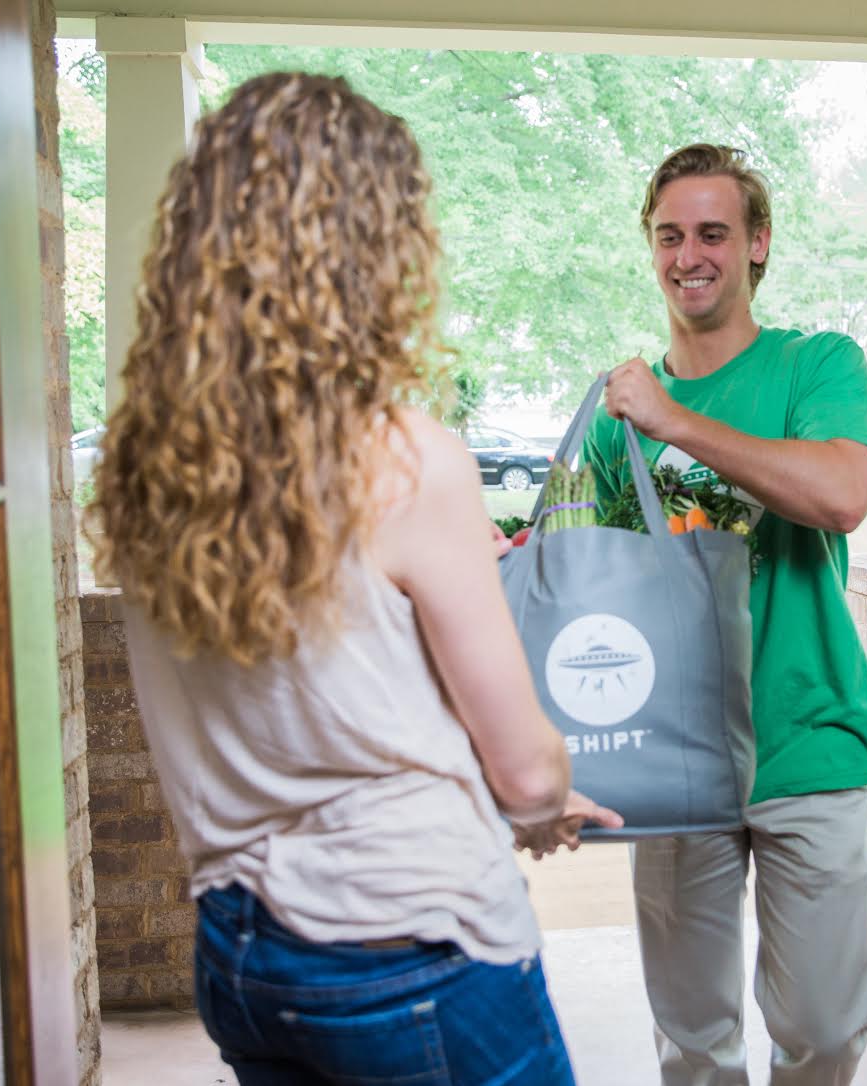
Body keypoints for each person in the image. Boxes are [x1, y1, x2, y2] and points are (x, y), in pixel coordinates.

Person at [86, 71, 618, 1085]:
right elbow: (530, 771)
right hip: (410, 943)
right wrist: (542, 802)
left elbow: (305, 685)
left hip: (241, 957)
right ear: (375, 249)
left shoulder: (147, 463)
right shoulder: (404, 456)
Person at [581, 144, 867, 1085]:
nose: (689, 255)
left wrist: (676, 420)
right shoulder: (608, 419)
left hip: (807, 735)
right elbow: (614, 594)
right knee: (693, 1038)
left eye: (713, 232)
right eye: (669, 235)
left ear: (756, 244)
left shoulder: (815, 364)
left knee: (825, 1028)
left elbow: (840, 495)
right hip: (676, 762)